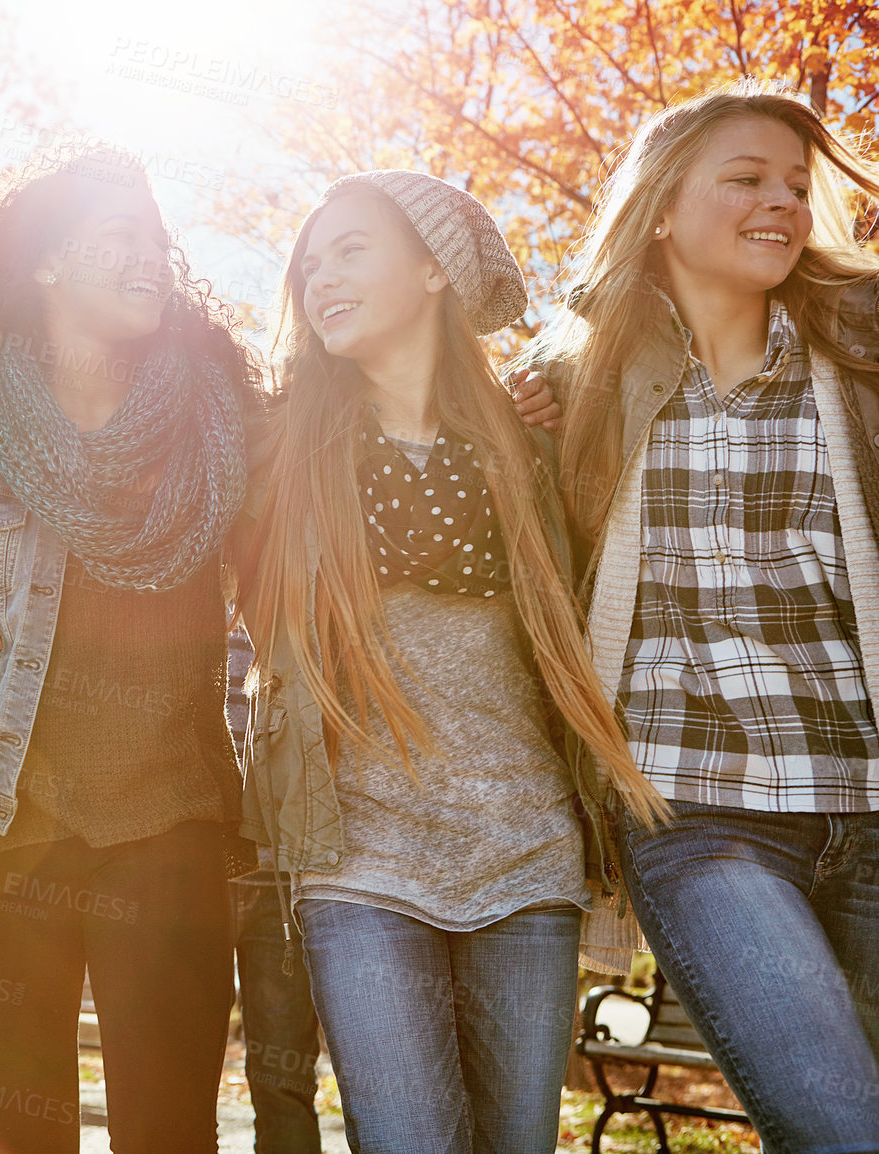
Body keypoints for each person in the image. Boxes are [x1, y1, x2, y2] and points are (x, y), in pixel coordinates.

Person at [236, 170, 668, 1154]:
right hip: (359, 852)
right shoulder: (282, 444)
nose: (320, 277)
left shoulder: (531, 442)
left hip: (525, 849)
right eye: (309, 262)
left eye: (351, 249)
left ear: (434, 268)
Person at [0, 140, 263, 1154]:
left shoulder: (219, 410)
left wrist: (539, 385)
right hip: (10, 824)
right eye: (117, 239)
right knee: (21, 1135)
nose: (150, 259)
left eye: (155, 240)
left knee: (171, 1132)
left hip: (174, 818)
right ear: (46, 263)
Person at [532, 83, 879, 1149]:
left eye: (792, 182)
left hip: (868, 799)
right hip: (699, 815)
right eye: (744, 177)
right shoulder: (572, 389)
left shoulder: (859, 368)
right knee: (837, 1123)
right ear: (664, 207)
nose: (779, 199)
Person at [225, 620, 323, 1154]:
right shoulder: (165, 589)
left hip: (281, 878)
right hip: (189, 876)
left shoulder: (291, 603)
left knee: (284, 1080)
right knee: (174, 1082)